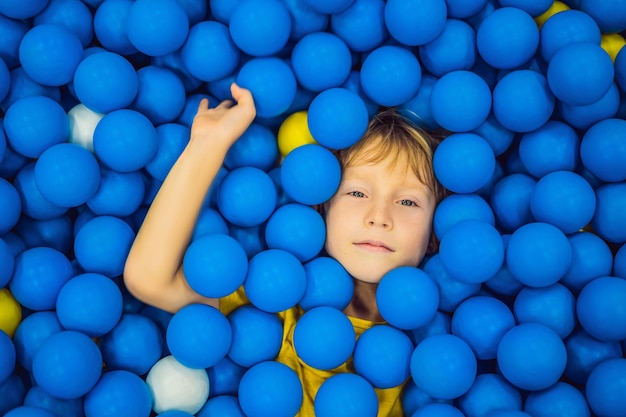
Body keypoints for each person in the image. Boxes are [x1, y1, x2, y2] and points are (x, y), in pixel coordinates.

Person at [124, 82, 447, 416]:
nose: (379, 218)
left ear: (435, 231)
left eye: (407, 201)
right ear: (323, 207)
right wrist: (207, 145)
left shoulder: (436, 349)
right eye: (358, 194)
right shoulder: (275, 299)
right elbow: (149, 279)